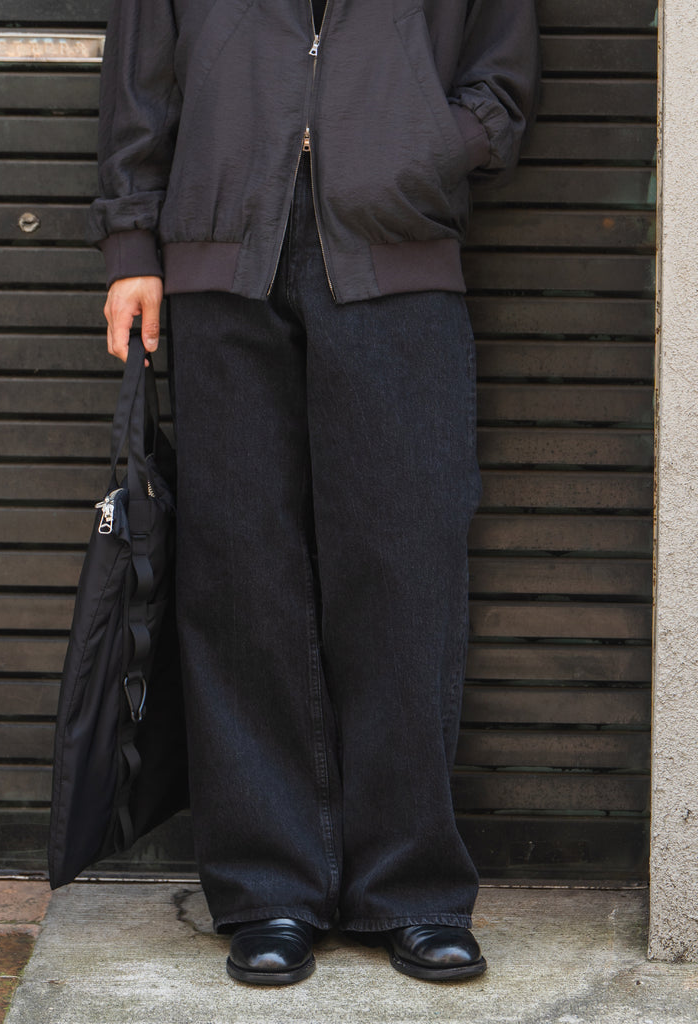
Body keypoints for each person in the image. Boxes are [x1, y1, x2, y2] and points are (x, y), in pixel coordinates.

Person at [89, 0, 540, 987]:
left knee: (405, 575)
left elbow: (500, 87)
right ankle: (269, 889)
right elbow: (138, 81)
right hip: (219, 260)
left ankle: (411, 888)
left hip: (397, 256)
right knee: (242, 584)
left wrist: (410, 149)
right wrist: (131, 244)